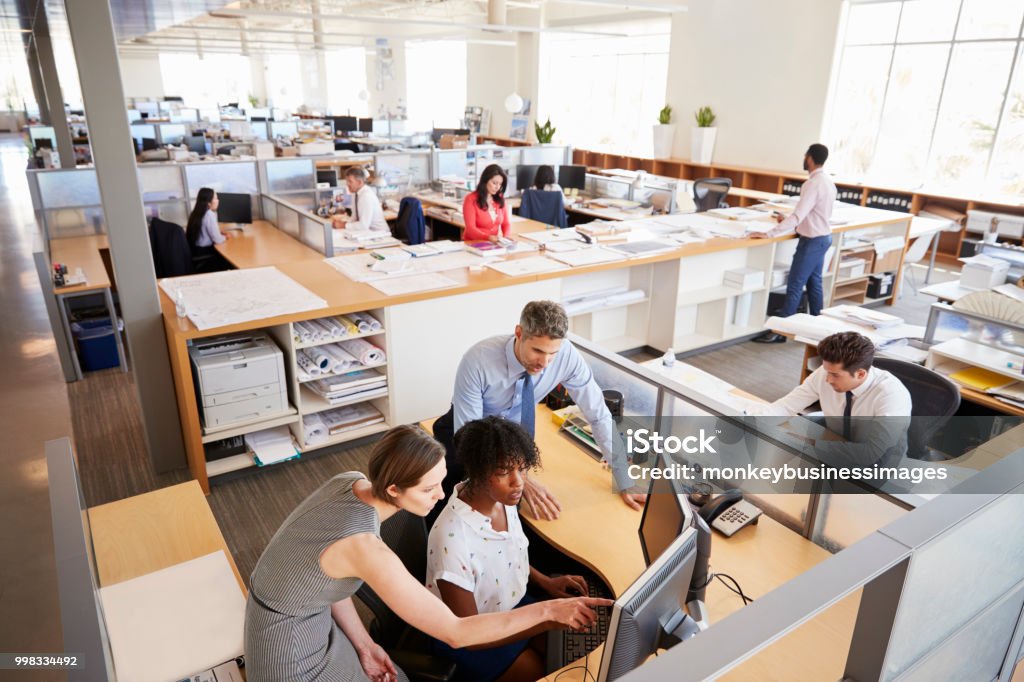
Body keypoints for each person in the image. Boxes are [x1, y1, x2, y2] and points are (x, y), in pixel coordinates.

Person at [244, 425, 607, 682]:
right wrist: (546, 609)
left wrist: (366, 644)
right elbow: (455, 632)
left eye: (442, 481)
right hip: (287, 654)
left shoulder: (349, 481)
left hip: (305, 615)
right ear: (394, 488)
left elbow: (326, 580)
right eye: (429, 489)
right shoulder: (366, 548)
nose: (439, 496)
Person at [432, 300, 647, 523]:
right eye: (537, 350)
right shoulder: (478, 361)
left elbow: (598, 414)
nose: (544, 362)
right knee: (456, 503)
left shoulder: (566, 357)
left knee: (516, 512)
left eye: (552, 353)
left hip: (513, 434)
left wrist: (624, 478)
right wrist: (521, 477)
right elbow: (472, 440)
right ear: (519, 333)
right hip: (469, 433)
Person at [427, 417, 590, 682]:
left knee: (570, 652)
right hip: (474, 636)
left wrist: (545, 582)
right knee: (549, 671)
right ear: (477, 471)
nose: (518, 482)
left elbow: (509, 555)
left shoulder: (503, 500)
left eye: (522, 469)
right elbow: (466, 635)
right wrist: (544, 619)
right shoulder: (452, 539)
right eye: (504, 472)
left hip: (511, 607)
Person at [750, 332, 912, 472]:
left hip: (877, 463)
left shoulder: (891, 396)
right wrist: (752, 424)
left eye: (835, 375)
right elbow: (786, 405)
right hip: (837, 438)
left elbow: (870, 454)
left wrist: (808, 444)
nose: (827, 379)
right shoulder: (826, 372)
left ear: (861, 374)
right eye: (827, 371)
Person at [752, 143, 837, 344]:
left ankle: (781, 332)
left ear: (810, 158)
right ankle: (818, 327)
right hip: (823, 238)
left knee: (795, 284)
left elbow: (799, 215)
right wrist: (788, 220)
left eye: (805, 155)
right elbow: (810, 213)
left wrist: (770, 233)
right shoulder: (828, 182)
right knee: (814, 283)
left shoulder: (812, 184)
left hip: (812, 242)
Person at [185, 187, 232, 270]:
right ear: (209, 203)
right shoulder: (209, 215)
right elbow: (217, 239)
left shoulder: (196, 212)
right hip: (205, 251)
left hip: (196, 250)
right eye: (215, 198)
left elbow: (204, 231)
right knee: (228, 259)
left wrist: (219, 232)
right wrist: (226, 237)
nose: (218, 201)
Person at [331, 166, 389, 233]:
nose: (347, 184)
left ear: (359, 182)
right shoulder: (355, 193)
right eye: (347, 181)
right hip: (367, 233)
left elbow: (364, 225)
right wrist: (342, 223)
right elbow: (354, 218)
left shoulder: (366, 197)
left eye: (350, 181)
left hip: (380, 234)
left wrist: (344, 225)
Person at [462, 164, 511, 242]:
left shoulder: (500, 198)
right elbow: (470, 229)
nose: (497, 187)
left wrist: (505, 238)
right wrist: (488, 237)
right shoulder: (470, 199)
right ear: (485, 180)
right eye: (494, 183)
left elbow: (506, 223)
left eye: (500, 184)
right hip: (472, 243)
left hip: (492, 244)